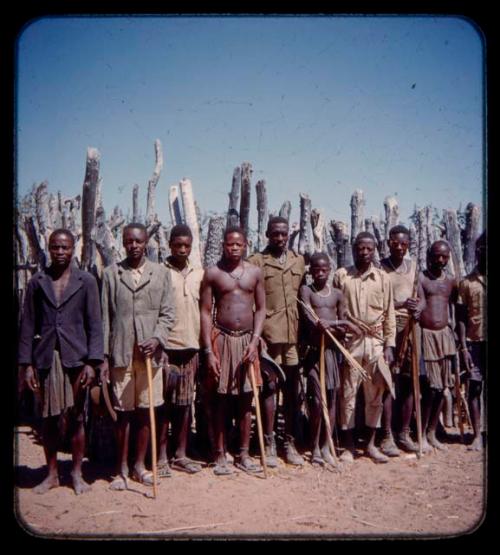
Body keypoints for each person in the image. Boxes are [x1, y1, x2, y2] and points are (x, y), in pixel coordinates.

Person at [18, 229, 104, 495]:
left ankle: (77, 474)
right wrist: (27, 365)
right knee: (49, 420)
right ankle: (52, 473)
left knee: (77, 417)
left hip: (76, 360)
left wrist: (92, 362)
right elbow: (26, 325)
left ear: (73, 249)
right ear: (48, 247)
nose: (60, 252)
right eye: (55, 247)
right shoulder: (37, 282)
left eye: (65, 247)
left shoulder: (86, 281)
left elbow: (95, 324)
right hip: (45, 359)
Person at [100, 223, 175, 489]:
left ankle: (139, 467)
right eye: (128, 241)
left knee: (146, 411)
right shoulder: (111, 274)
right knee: (123, 413)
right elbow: (105, 317)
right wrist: (105, 358)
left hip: (149, 357)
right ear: (122, 243)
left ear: (146, 243)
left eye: (138, 241)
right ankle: (121, 469)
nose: (133, 246)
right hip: (121, 354)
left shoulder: (161, 274)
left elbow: (167, 314)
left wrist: (157, 338)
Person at [200, 227, 265, 475]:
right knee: (221, 399)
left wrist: (255, 340)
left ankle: (244, 454)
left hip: (247, 341)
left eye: (238, 244)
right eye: (229, 244)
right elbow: (206, 312)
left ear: (245, 245)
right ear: (223, 246)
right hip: (222, 340)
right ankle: (219, 453)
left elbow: (261, 309)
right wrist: (208, 349)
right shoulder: (213, 273)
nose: (234, 248)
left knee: (246, 400)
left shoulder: (254, 273)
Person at [333, 231, 396, 464]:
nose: (365, 252)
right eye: (360, 248)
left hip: (376, 344)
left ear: (375, 249)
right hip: (350, 343)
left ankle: (370, 444)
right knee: (348, 394)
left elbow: (389, 314)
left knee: (375, 394)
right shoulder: (342, 276)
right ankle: (348, 446)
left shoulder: (383, 279)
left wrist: (389, 345)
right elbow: (334, 309)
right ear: (354, 248)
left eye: (369, 249)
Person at [248, 216, 306, 466]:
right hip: (268, 337)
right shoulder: (256, 262)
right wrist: (256, 337)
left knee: (292, 392)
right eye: (275, 234)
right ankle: (268, 441)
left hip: (292, 338)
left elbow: (302, 299)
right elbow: (250, 303)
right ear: (267, 235)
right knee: (269, 390)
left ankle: (289, 442)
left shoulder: (298, 260)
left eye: (284, 234)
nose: (280, 238)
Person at [298, 252, 360, 466]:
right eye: (316, 269)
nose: (320, 273)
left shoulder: (337, 294)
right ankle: (314, 446)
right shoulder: (306, 291)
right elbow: (309, 318)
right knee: (316, 401)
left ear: (330, 270)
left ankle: (326, 445)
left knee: (332, 398)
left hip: (332, 352)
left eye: (324, 269)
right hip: (315, 353)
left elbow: (343, 322)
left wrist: (335, 325)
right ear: (311, 271)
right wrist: (327, 324)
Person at [157, 224, 204, 475]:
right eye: (178, 245)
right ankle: (161, 456)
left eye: (187, 245)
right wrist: (159, 344)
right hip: (167, 348)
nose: (182, 249)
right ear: (170, 244)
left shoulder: (199, 273)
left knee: (185, 404)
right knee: (163, 403)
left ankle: (180, 454)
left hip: (191, 347)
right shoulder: (160, 272)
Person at [380, 225, 421, 454]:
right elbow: (379, 302)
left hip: (411, 327)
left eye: (403, 244)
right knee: (388, 381)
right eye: (395, 243)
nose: (399, 247)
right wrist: (400, 305)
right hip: (389, 327)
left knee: (408, 382)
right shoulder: (382, 268)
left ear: (408, 245)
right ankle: (386, 435)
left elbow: (421, 297)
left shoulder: (414, 267)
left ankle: (403, 433)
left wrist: (417, 307)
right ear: (388, 243)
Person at [417, 240, 458, 452]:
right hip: (427, 337)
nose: (440, 260)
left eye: (444, 256)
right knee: (430, 389)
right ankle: (422, 433)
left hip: (445, 338)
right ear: (429, 255)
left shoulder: (451, 281)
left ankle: (432, 432)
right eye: (436, 256)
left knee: (443, 388)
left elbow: (457, 310)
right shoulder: (422, 279)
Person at [457, 232, 486, 451]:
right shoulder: (467, 282)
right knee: (474, 388)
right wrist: (464, 347)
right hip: (474, 343)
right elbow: (460, 317)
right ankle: (477, 435)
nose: (482, 252)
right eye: (480, 248)